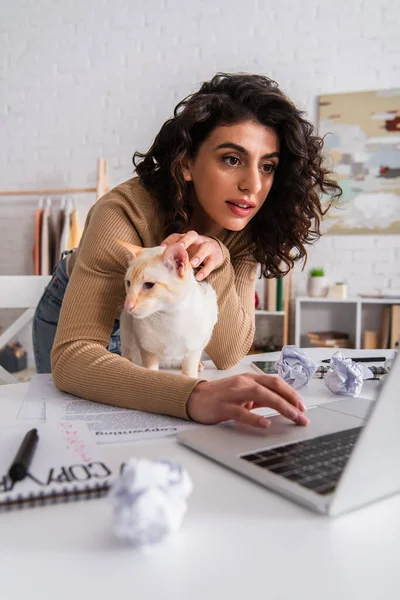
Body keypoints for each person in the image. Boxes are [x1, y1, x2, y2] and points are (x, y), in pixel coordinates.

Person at [32, 72, 341, 430]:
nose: (253, 185)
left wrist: (220, 260)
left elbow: (227, 353)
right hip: (94, 309)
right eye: (231, 159)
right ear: (186, 164)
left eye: (267, 166)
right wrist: (191, 394)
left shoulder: (246, 225)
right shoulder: (122, 212)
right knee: (75, 433)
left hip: (167, 321)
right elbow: (74, 360)